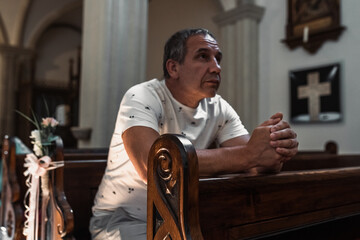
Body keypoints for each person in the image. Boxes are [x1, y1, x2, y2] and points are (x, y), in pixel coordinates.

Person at [89, 28, 299, 239]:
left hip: (186, 218)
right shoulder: (142, 96)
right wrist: (250, 154)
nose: (216, 68)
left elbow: (255, 162)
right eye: (203, 57)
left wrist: (274, 147)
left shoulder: (219, 107)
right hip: (126, 220)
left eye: (218, 59)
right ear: (173, 68)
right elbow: (151, 165)